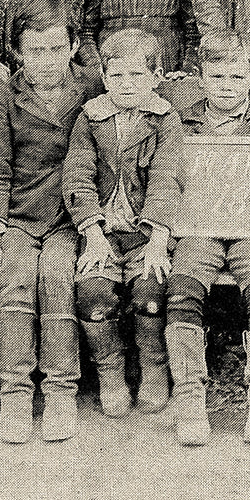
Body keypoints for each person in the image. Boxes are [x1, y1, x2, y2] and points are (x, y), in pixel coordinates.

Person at [0, 0, 105, 444]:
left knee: (56, 277)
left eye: (55, 49)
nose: (45, 62)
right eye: (34, 52)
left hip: (72, 216)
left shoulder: (92, 89)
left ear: (72, 47)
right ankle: (14, 393)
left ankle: (60, 391)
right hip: (19, 212)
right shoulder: (4, 96)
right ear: (17, 52)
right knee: (14, 277)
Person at [165, 30, 250, 447]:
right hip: (200, 227)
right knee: (182, 290)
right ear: (201, 77)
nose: (226, 86)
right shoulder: (180, 122)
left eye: (236, 78)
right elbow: (168, 179)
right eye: (216, 77)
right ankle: (189, 396)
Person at [64, 28, 185, 419]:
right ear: (103, 75)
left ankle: (154, 367)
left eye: (137, 75)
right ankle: (110, 371)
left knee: (151, 292)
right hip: (101, 231)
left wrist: (158, 238)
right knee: (94, 296)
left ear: (156, 76)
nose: (126, 85)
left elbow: (168, 177)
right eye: (117, 76)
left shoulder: (165, 119)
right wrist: (92, 234)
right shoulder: (92, 117)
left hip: (145, 231)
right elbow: (78, 175)